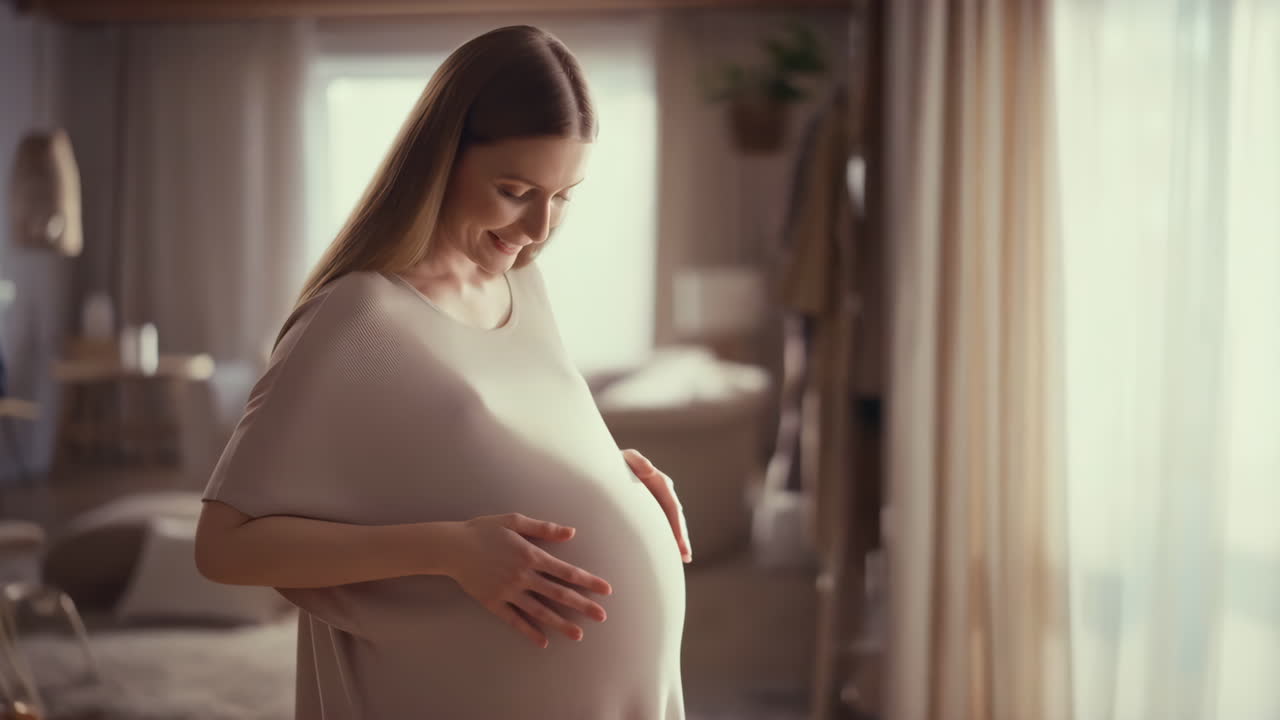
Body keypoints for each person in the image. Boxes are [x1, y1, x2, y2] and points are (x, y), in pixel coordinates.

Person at [194, 25, 692, 719]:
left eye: (565, 195)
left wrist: (611, 474)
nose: (540, 227)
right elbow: (224, 548)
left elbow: (480, 439)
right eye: (515, 189)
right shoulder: (355, 317)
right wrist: (451, 550)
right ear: (441, 159)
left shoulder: (524, 286)